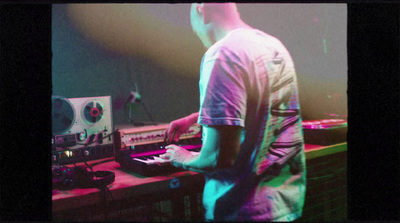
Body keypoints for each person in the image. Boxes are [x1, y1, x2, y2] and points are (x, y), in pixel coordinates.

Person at [160, 3, 306, 222]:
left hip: (243, 210)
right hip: (284, 204)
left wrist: (184, 158)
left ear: (201, 9)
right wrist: (199, 117)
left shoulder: (222, 54)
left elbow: (219, 157)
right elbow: (267, 109)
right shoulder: (273, 45)